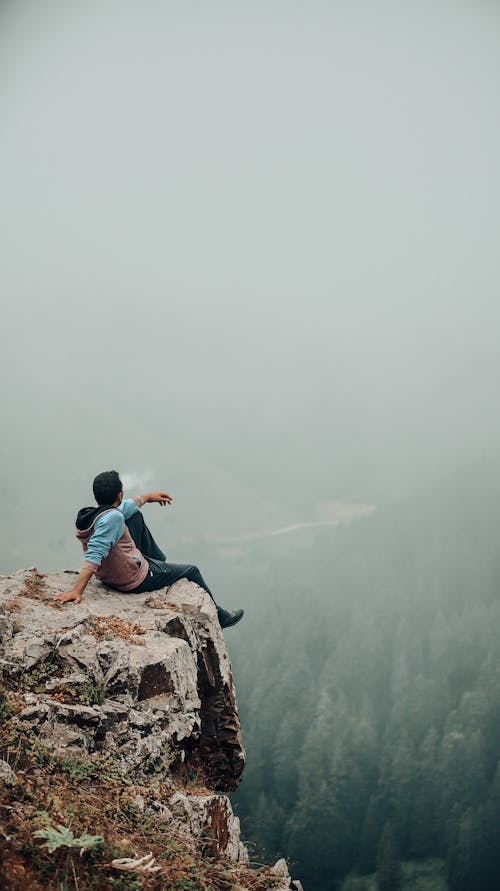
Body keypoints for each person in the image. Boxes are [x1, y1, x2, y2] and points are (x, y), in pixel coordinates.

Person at [53, 470, 244, 629]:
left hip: (111, 572)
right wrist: (76, 591)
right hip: (131, 579)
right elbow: (95, 553)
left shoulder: (92, 513)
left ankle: (158, 564)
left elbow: (123, 510)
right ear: (119, 494)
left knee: (135, 516)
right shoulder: (113, 519)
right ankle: (220, 617)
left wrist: (146, 498)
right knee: (192, 570)